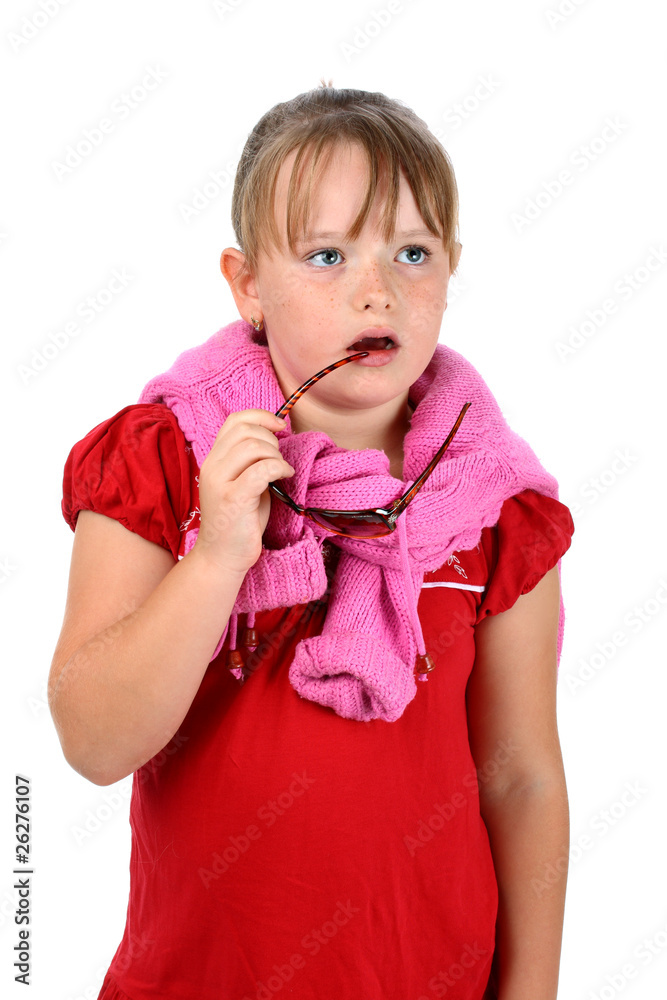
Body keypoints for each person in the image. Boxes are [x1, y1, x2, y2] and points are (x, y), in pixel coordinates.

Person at [49, 83, 575, 1000]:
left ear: (450, 267)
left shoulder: (493, 506)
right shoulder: (164, 459)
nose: (377, 289)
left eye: (411, 252)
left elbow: (522, 779)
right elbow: (94, 742)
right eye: (325, 254)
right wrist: (218, 556)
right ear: (248, 285)